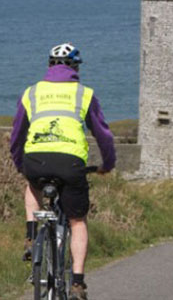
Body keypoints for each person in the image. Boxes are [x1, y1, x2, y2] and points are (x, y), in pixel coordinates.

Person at [10, 43, 116, 300]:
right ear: (75, 67)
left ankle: (31, 235)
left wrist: (20, 164)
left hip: (36, 160)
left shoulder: (32, 93)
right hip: (70, 164)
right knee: (77, 221)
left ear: (49, 66)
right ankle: (78, 281)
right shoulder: (84, 94)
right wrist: (107, 164)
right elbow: (103, 135)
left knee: (31, 184)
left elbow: (16, 135)